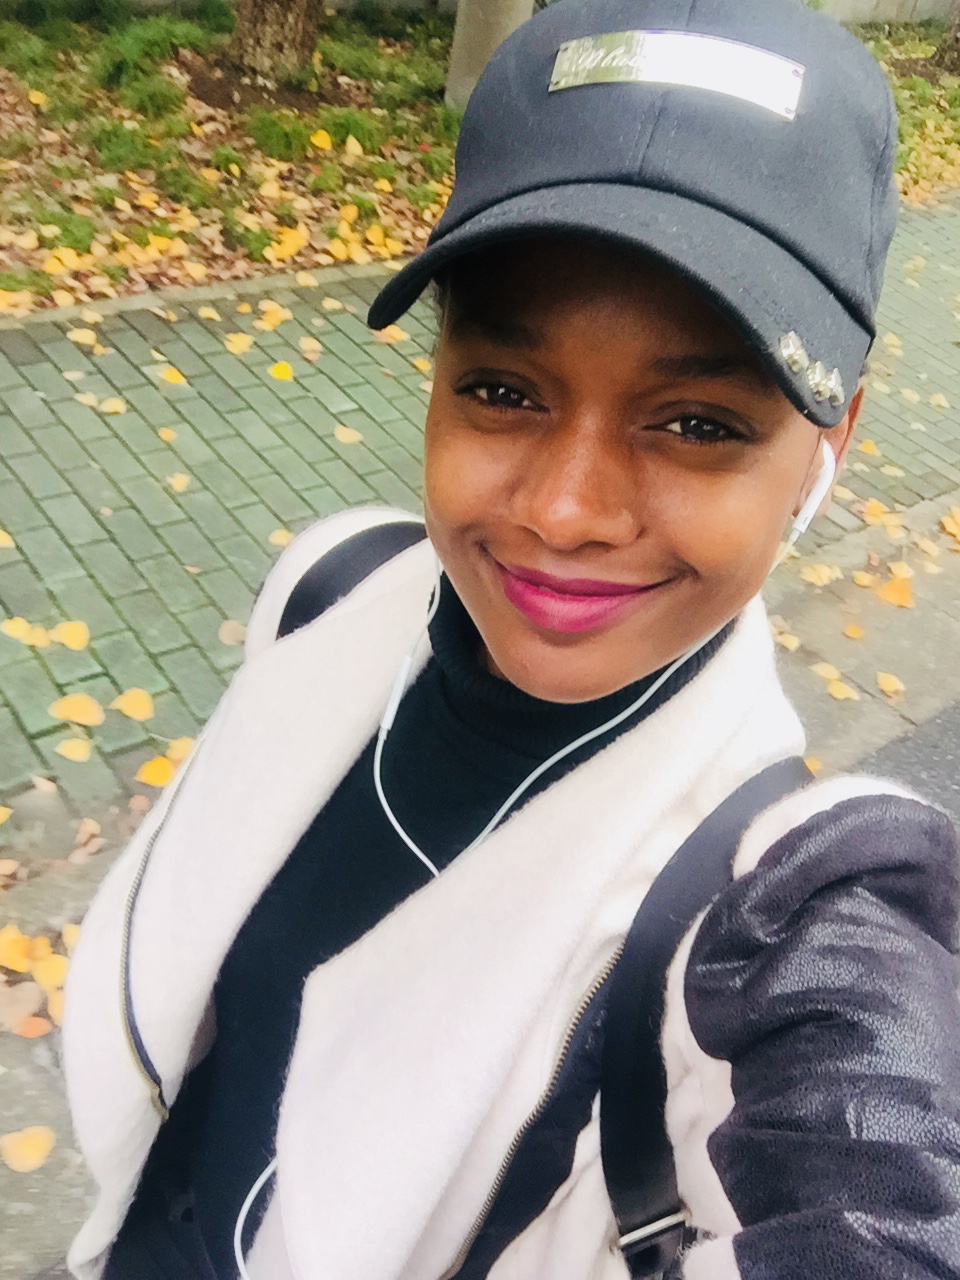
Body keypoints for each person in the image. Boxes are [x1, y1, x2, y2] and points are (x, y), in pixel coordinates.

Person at [62, 0, 960, 1277]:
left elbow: (880, 1194)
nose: (563, 510)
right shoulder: (334, 590)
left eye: (698, 422)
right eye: (503, 390)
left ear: (834, 439)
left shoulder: (785, 914)